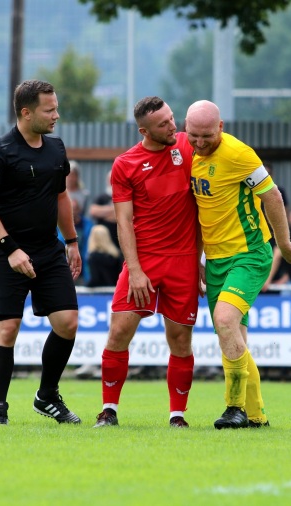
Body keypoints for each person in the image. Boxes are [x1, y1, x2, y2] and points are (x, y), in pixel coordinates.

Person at [186, 100, 291, 429]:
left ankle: (233, 407)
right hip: (215, 260)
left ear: (221, 127)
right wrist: (198, 258)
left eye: (207, 136)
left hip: (250, 254)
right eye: (193, 135)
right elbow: (197, 215)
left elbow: (273, 196)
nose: (199, 143)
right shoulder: (186, 153)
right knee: (232, 336)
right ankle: (256, 415)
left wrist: (284, 243)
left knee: (225, 322)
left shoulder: (240, 154)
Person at [0, 79, 82, 426]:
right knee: (8, 328)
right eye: (49, 110)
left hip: (49, 250)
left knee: (68, 323)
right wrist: (11, 250)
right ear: (26, 112)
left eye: (55, 108)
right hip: (7, 253)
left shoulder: (56, 148)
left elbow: (61, 197)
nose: (56, 115)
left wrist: (71, 241)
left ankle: (47, 395)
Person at [92, 96, 199, 429]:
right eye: (164, 124)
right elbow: (123, 222)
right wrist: (135, 270)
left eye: (171, 118)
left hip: (183, 261)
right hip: (144, 260)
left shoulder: (189, 145)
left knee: (180, 339)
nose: (173, 126)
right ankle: (108, 410)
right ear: (144, 131)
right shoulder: (126, 164)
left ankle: (177, 416)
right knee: (119, 332)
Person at [89, 170, 119, 248]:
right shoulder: (102, 197)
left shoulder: (123, 197)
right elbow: (93, 211)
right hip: (103, 240)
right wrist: (114, 210)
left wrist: (104, 213)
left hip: (119, 238)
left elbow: (125, 216)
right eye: (110, 179)